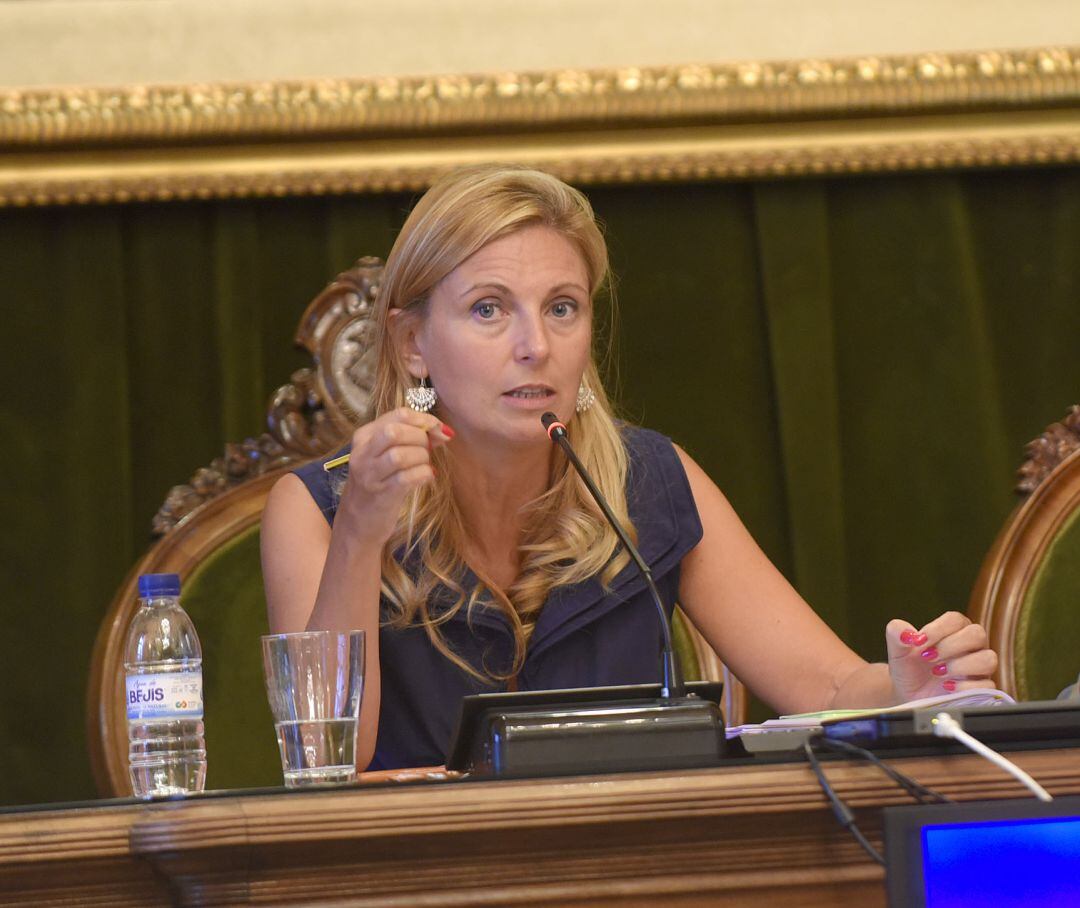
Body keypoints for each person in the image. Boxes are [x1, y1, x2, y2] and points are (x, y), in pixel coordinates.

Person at [261, 164, 998, 771]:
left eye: (562, 308)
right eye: (489, 309)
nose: (535, 345)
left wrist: (904, 689)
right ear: (413, 344)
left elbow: (828, 686)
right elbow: (326, 757)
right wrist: (360, 533)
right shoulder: (318, 506)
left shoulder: (649, 479)